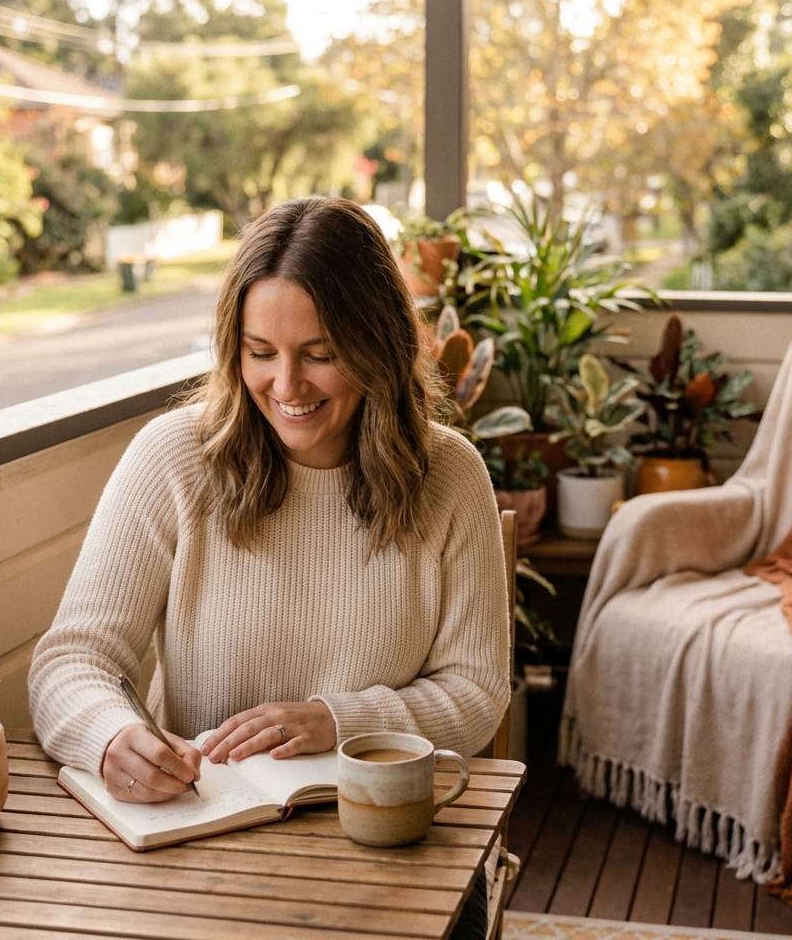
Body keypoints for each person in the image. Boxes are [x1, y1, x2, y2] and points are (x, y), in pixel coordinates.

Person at [29, 199, 509, 908]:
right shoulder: (172, 459)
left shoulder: (450, 475)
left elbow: (477, 692)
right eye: (260, 354)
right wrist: (111, 736)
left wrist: (339, 721)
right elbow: (71, 659)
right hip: (200, 846)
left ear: (376, 345)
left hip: (387, 846)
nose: (286, 387)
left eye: (320, 355)